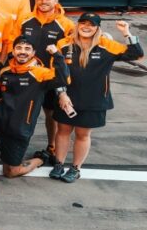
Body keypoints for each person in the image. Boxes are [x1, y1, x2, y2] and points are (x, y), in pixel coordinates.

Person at [51, 15, 143, 183]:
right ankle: (59, 164)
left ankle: (75, 168)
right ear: (78, 25)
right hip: (67, 99)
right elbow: (56, 71)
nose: (86, 27)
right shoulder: (63, 44)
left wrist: (126, 32)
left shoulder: (106, 44)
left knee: (82, 134)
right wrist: (61, 94)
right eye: (83, 23)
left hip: (94, 100)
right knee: (63, 131)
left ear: (97, 28)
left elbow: (136, 54)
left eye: (91, 25)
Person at [14, 0, 74, 163]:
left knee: (51, 114)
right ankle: (16, 142)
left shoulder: (67, 24)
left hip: (51, 77)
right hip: (27, 74)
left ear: (56, 1)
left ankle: (52, 145)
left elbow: (71, 53)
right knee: (21, 110)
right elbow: (14, 44)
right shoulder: (25, 20)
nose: (43, 2)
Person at [0, 37, 68, 178]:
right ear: (13, 51)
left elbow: (63, 79)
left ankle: (40, 159)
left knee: (11, 173)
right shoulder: (5, 71)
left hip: (21, 127)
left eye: (27, 49)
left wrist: (57, 55)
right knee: (5, 169)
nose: (22, 52)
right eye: (19, 48)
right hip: (3, 123)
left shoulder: (40, 73)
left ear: (33, 53)